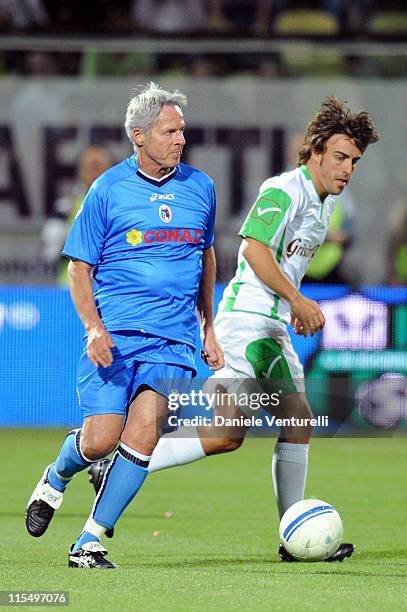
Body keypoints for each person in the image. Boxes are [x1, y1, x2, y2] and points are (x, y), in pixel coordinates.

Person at [91, 96, 379, 562]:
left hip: (264, 322)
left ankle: (118, 463)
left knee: (228, 434)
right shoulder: (286, 190)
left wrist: (291, 305)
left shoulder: (324, 207)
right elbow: (253, 250)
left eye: (355, 162)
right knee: (299, 419)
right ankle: (294, 536)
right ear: (316, 152)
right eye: (341, 158)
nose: (347, 169)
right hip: (250, 321)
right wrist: (297, 299)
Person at [25, 82, 224, 569]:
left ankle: (89, 542)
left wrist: (208, 327)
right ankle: (57, 474)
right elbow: (78, 267)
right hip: (115, 337)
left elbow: (206, 256)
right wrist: (94, 328)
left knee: (143, 437)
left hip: (173, 340)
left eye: (182, 131)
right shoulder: (107, 190)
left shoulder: (201, 188)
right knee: (100, 440)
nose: (180, 139)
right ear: (139, 135)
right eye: (169, 131)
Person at [40, 146, 113, 284]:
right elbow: (48, 254)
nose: (94, 174)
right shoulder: (64, 208)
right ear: (80, 172)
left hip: (111, 293)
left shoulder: (124, 208)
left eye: (98, 168)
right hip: (70, 293)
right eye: (89, 168)